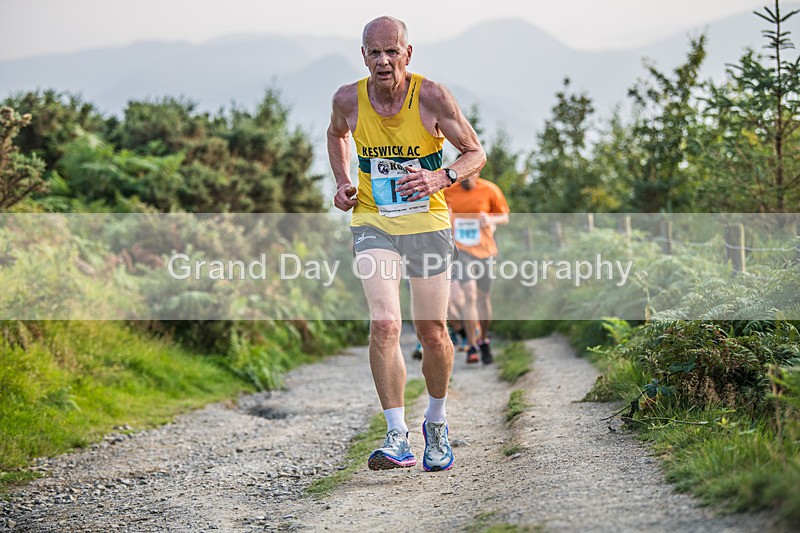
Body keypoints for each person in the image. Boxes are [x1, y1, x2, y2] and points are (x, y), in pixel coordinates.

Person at [328, 15, 485, 472]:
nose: (383, 60)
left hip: (427, 224)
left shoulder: (431, 95)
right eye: (374, 52)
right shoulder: (347, 99)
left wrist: (443, 175)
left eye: (391, 51)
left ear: (407, 54)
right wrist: (342, 182)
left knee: (433, 331)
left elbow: (476, 151)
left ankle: (435, 423)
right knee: (384, 324)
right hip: (374, 221)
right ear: (363, 56)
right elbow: (336, 134)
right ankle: (396, 433)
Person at [444, 173, 510, 364]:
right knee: (469, 294)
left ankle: (484, 338)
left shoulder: (489, 189)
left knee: (483, 298)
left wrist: (490, 220)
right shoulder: (448, 191)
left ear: (477, 171)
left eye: (468, 174)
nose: (464, 178)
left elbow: (504, 216)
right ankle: (472, 345)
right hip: (461, 250)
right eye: (460, 175)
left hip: (485, 250)